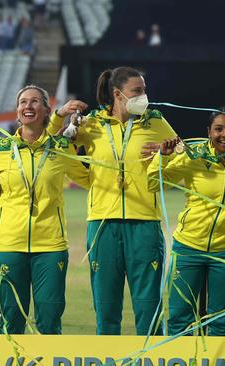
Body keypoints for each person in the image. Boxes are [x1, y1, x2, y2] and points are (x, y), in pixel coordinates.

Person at [47, 66, 177, 335]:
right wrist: (59, 118)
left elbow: (182, 155)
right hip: (103, 224)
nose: (144, 97)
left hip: (144, 224)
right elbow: (53, 147)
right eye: (137, 91)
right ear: (118, 94)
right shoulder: (91, 123)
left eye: (144, 90)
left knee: (149, 309)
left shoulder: (154, 121)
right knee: (106, 310)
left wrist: (168, 155)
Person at [146, 111, 225, 336]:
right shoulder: (194, 156)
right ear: (209, 132)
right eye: (218, 129)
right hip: (189, 248)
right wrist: (163, 156)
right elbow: (153, 183)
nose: (224, 134)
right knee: (180, 319)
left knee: (222, 322)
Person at [0, 85, 89, 334]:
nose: (28, 106)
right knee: (11, 321)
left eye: (35, 102)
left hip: (50, 246)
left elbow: (90, 180)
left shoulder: (61, 148)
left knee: (50, 320)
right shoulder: (0, 149)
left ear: (46, 110)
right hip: (9, 244)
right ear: (17, 111)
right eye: (23, 102)